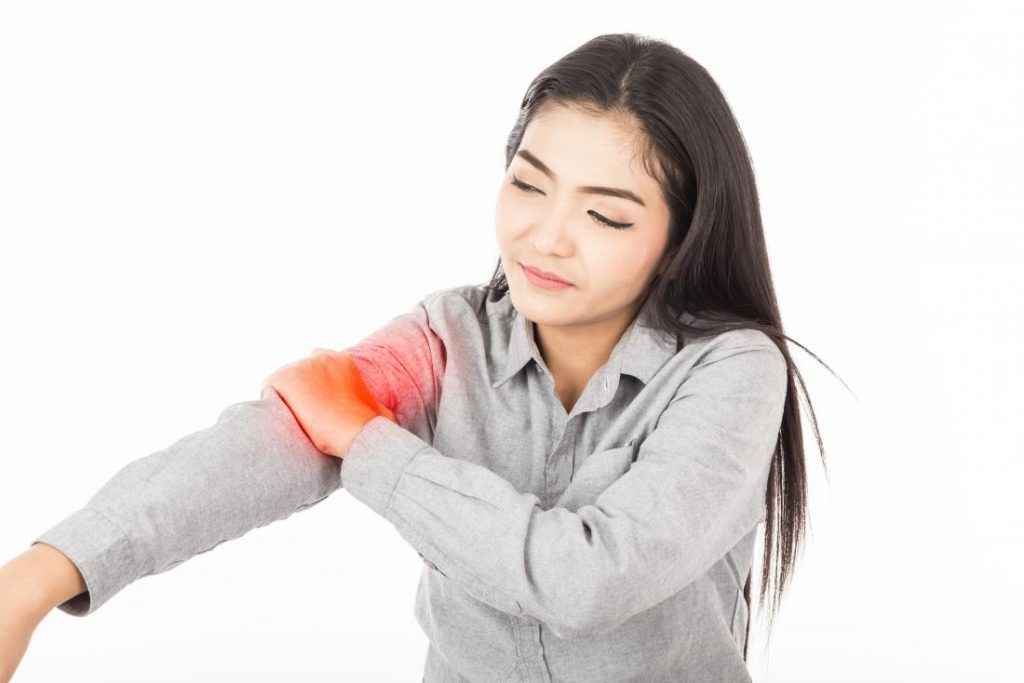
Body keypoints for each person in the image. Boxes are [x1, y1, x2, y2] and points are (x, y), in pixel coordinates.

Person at [0, 32, 833, 682]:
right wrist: (40, 576)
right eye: (528, 183)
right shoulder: (447, 336)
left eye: (605, 216)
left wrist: (371, 445)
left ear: (681, 238)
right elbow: (268, 443)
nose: (545, 236)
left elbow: (586, 580)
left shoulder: (732, 371)